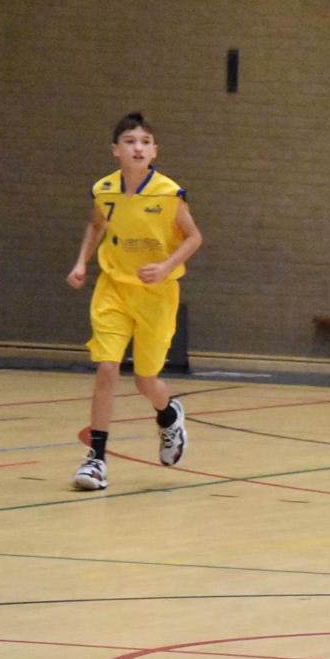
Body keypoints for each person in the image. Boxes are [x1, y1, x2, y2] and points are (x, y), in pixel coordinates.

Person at [65, 111, 202, 491]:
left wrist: (166, 266)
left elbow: (194, 237)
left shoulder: (169, 193)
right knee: (107, 368)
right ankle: (96, 460)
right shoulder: (104, 190)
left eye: (144, 142)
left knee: (145, 380)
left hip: (157, 295)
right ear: (115, 150)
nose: (137, 148)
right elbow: (96, 224)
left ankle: (168, 415)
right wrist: (81, 262)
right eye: (130, 142)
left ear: (154, 150)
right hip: (113, 288)